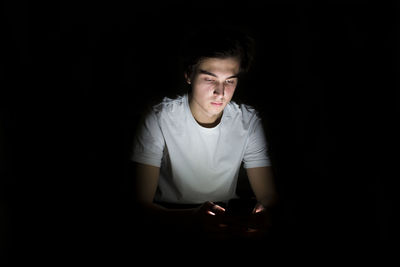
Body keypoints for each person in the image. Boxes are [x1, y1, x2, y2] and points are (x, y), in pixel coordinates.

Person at [131, 27, 278, 242]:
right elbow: (139, 205)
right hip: (168, 225)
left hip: (227, 223)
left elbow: (268, 197)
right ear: (189, 74)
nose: (220, 92)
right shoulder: (159, 117)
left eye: (230, 81)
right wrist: (190, 220)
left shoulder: (248, 121)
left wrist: (264, 216)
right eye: (210, 79)